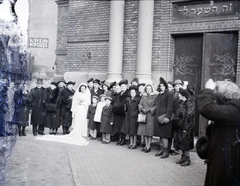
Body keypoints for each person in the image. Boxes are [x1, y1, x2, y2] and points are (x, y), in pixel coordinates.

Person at [197, 79, 240, 186]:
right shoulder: (230, 110)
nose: (214, 100)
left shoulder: (236, 110)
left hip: (227, 168)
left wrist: (207, 90)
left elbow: (206, 108)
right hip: (221, 164)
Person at [154, 77, 174, 158]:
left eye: (163, 85)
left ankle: (166, 151)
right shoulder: (160, 94)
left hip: (165, 118)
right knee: (160, 135)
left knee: (165, 135)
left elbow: (170, 107)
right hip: (159, 117)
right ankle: (162, 149)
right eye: (160, 85)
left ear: (165, 86)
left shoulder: (169, 94)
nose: (161, 87)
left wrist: (167, 117)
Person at [176, 88, 195, 166]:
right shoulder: (182, 103)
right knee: (181, 141)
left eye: (179, 94)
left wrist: (185, 128)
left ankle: (187, 159)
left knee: (186, 142)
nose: (178, 95)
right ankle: (183, 157)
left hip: (187, 127)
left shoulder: (190, 104)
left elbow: (188, 117)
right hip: (181, 125)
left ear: (183, 95)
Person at [137, 84, 158, 153]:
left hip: (151, 115)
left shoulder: (155, 96)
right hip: (144, 115)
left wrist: (150, 110)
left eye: (150, 89)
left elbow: (156, 105)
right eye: (147, 89)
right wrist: (142, 108)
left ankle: (149, 146)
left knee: (149, 132)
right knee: (145, 132)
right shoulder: (143, 96)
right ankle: (146, 145)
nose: (148, 90)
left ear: (152, 89)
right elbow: (140, 104)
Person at [121, 85, 141, 149]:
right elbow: (126, 108)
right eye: (131, 92)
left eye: (133, 92)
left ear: (136, 93)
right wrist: (126, 113)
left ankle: (134, 143)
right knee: (129, 131)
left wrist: (135, 113)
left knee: (133, 131)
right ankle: (131, 143)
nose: (132, 94)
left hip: (134, 117)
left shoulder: (138, 99)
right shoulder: (128, 99)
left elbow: (139, 108)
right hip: (128, 116)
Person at [112, 79, 129, 146]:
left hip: (124, 113)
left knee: (123, 127)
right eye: (121, 86)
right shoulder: (119, 94)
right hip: (119, 113)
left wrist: (118, 107)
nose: (122, 88)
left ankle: (123, 139)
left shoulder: (128, 94)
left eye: (123, 86)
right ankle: (120, 139)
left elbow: (124, 104)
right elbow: (115, 103)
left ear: (126, 86)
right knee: (119, 127)